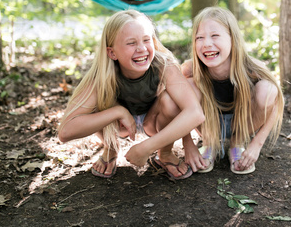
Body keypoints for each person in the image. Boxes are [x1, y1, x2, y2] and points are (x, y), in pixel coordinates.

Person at [58, 10, 205, 180]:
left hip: (154, 120)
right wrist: (118, 112)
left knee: (171, 101)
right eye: (131, 43)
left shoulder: (163, 64)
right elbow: (65, 131)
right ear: (112, 52)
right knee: (99, 101)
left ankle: (164, 152)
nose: (141, 49)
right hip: (117, 126)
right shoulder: (101, 76)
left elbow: (194, 112)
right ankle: (110, 146)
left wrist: (149, 147)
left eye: (146, 40)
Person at [182, 7, 284, 174]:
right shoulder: (190, 69)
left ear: (233, 39)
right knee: (186, 86)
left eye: (215, 36)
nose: (207, 43)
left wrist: (256, 145)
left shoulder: (252, 68)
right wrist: (188, 145)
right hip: (207, 124)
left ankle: (237, 143)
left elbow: (277, 100)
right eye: (199, 37)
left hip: (243, 124)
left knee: (268, 89)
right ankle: (209, 143)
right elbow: (178, 106)